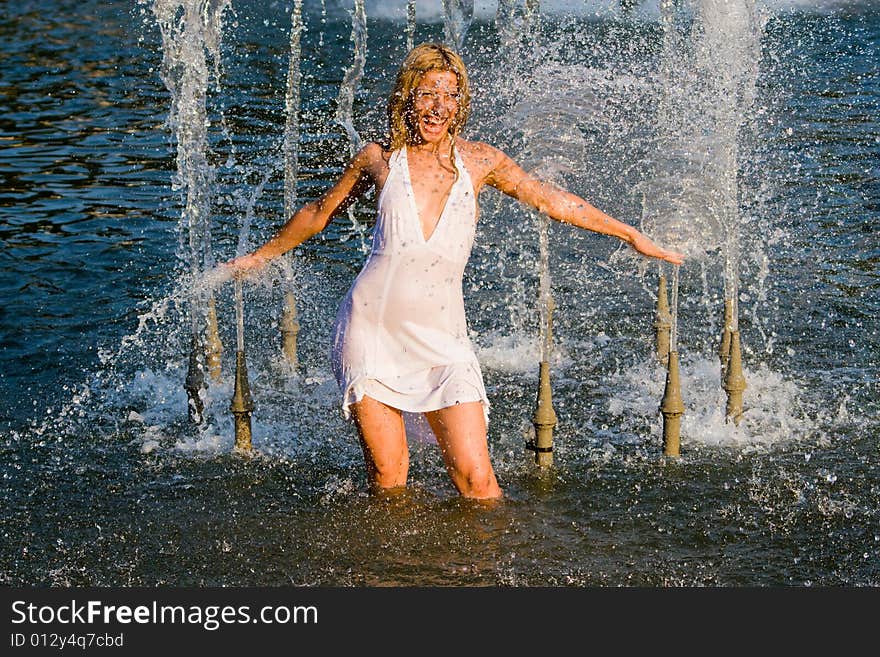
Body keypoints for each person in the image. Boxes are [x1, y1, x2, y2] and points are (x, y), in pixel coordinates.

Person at [226, 43, 684, 500]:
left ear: (461, 104)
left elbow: (549, 198)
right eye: (428, 93)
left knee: (477, 480)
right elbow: (318, 212)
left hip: (443, 337)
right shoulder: (379, 159)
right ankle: (392, 568)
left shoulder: (481, 162)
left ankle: (485, 568)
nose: (438, 106)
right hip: (372, 329)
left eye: (450, 96)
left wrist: (629, 234)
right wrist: (258, 257)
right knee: (390, 479)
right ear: (408, 96)